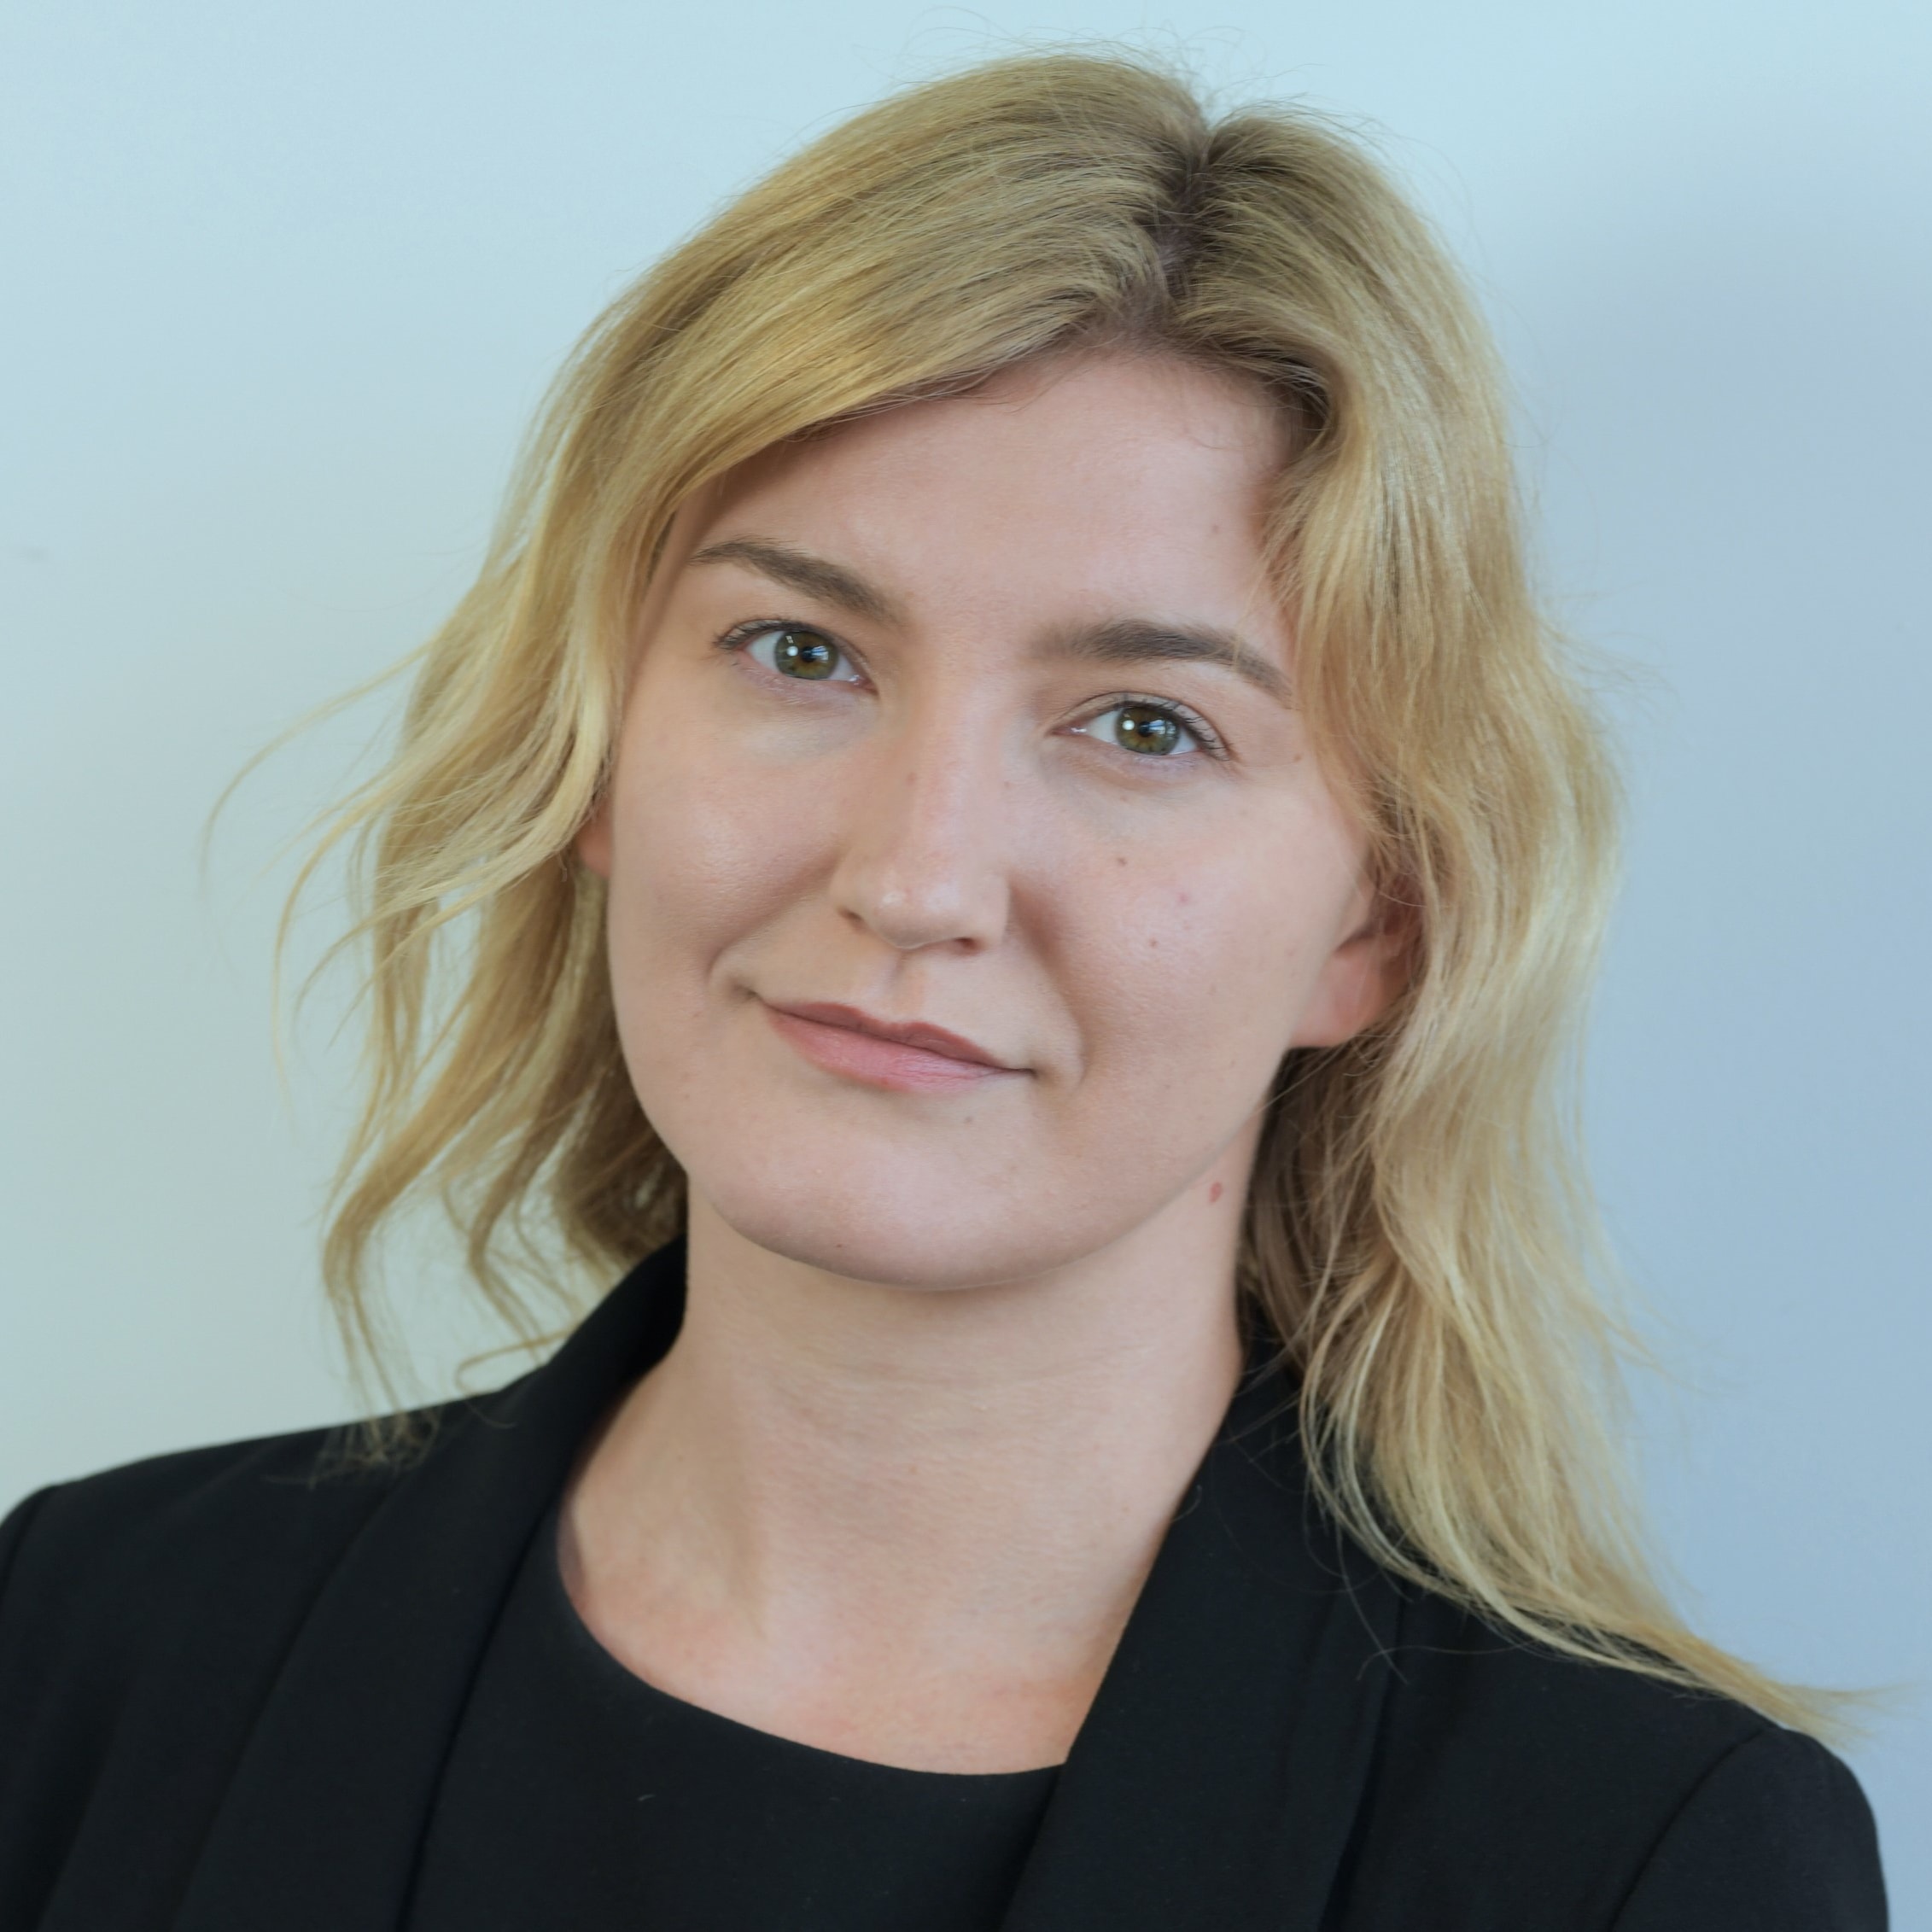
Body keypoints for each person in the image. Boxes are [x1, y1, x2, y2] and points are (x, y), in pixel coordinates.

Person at [0, 50, 1888, 1931]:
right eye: (798, 650)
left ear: (1373, 923)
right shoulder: (81, 1639)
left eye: (1143, 725)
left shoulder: (1644, 1868)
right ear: (594, 754)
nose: (913, 877)